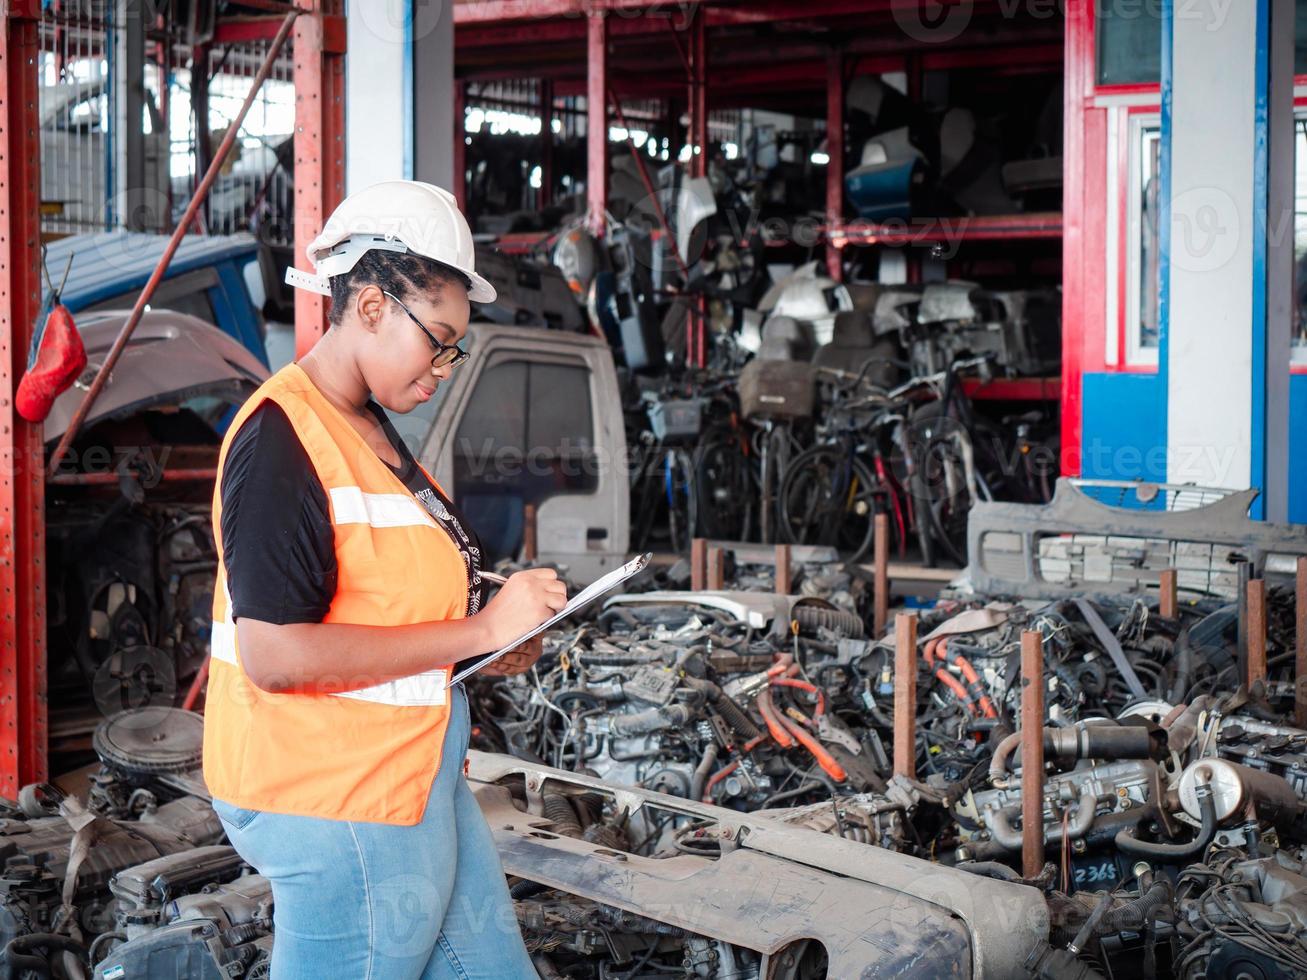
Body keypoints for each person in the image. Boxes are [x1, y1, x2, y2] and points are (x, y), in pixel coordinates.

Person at [203, 180, 560, 979]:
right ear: (369, 308)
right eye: (436, 337)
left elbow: (385, 598)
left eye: (454, 345)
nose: (443, 364)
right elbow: (275, 654)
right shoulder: (282, 437)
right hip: (336, 797)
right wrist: (479, 630)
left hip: (407, 778)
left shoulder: (367, 430)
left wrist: (486, 646)